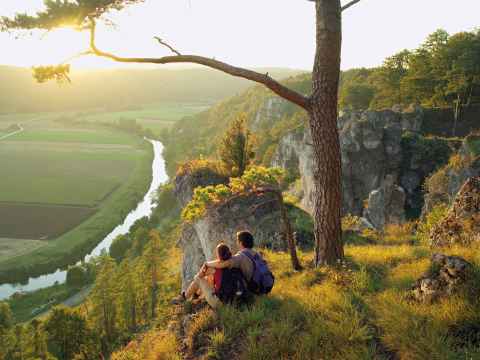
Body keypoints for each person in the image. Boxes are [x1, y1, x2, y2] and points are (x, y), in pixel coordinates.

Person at [177, 243, 233, 309]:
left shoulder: (215, 268)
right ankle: (196, 296)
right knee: (207, 278)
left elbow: (200, 275)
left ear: (218, 255)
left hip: (219, 303)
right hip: (231, 301)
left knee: (198, 278)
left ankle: (185, 297)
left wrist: (205, 265)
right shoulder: (232, 263)